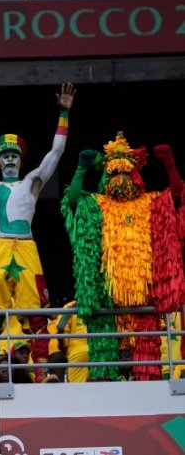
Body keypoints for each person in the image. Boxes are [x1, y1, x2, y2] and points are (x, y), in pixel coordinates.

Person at [0, 83, 75, 383]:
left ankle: (41, 370)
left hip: (26, 248)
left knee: (36, 312)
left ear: (21, 161)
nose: (9, 160)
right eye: (5, 156)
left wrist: (64, 114)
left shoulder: (32, 182)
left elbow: (56, 153)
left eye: (14, 156)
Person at [64, 135, 185, 381]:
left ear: (136, 175)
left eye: (126, 172)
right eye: (114, 172)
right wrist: (81, 169)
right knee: (104, 369)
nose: (121, 177)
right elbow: (73, 199)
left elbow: (177, 195)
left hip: (144, 304)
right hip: (107, 304)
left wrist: (170, 164)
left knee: (147, 371)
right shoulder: (99, 203)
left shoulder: (150, 202)